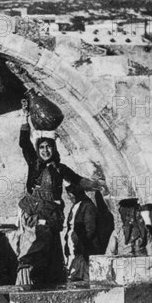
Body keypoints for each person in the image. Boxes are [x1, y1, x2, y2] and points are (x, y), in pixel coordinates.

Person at [17, 105, 101, 286]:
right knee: (39, 244)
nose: (45, 151)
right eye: (42, 148)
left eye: (49, 147)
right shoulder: (34, 164)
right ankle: (32, 279)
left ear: (53, 149)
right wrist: (25, 117)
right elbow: (25, 143)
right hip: (36, 212)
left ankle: (51, 283)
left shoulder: (59, 168)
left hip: (53, 213)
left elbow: (78, 180)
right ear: (38, 151)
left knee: (53, 249)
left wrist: (96, 184)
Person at [64, 184, 101, 282]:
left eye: (71, 196)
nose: (70, 198)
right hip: (73, 242)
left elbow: (90, 228)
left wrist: (81, 244)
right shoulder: (76, 205)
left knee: (82, 272)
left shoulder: (88, 206)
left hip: (84, 245)